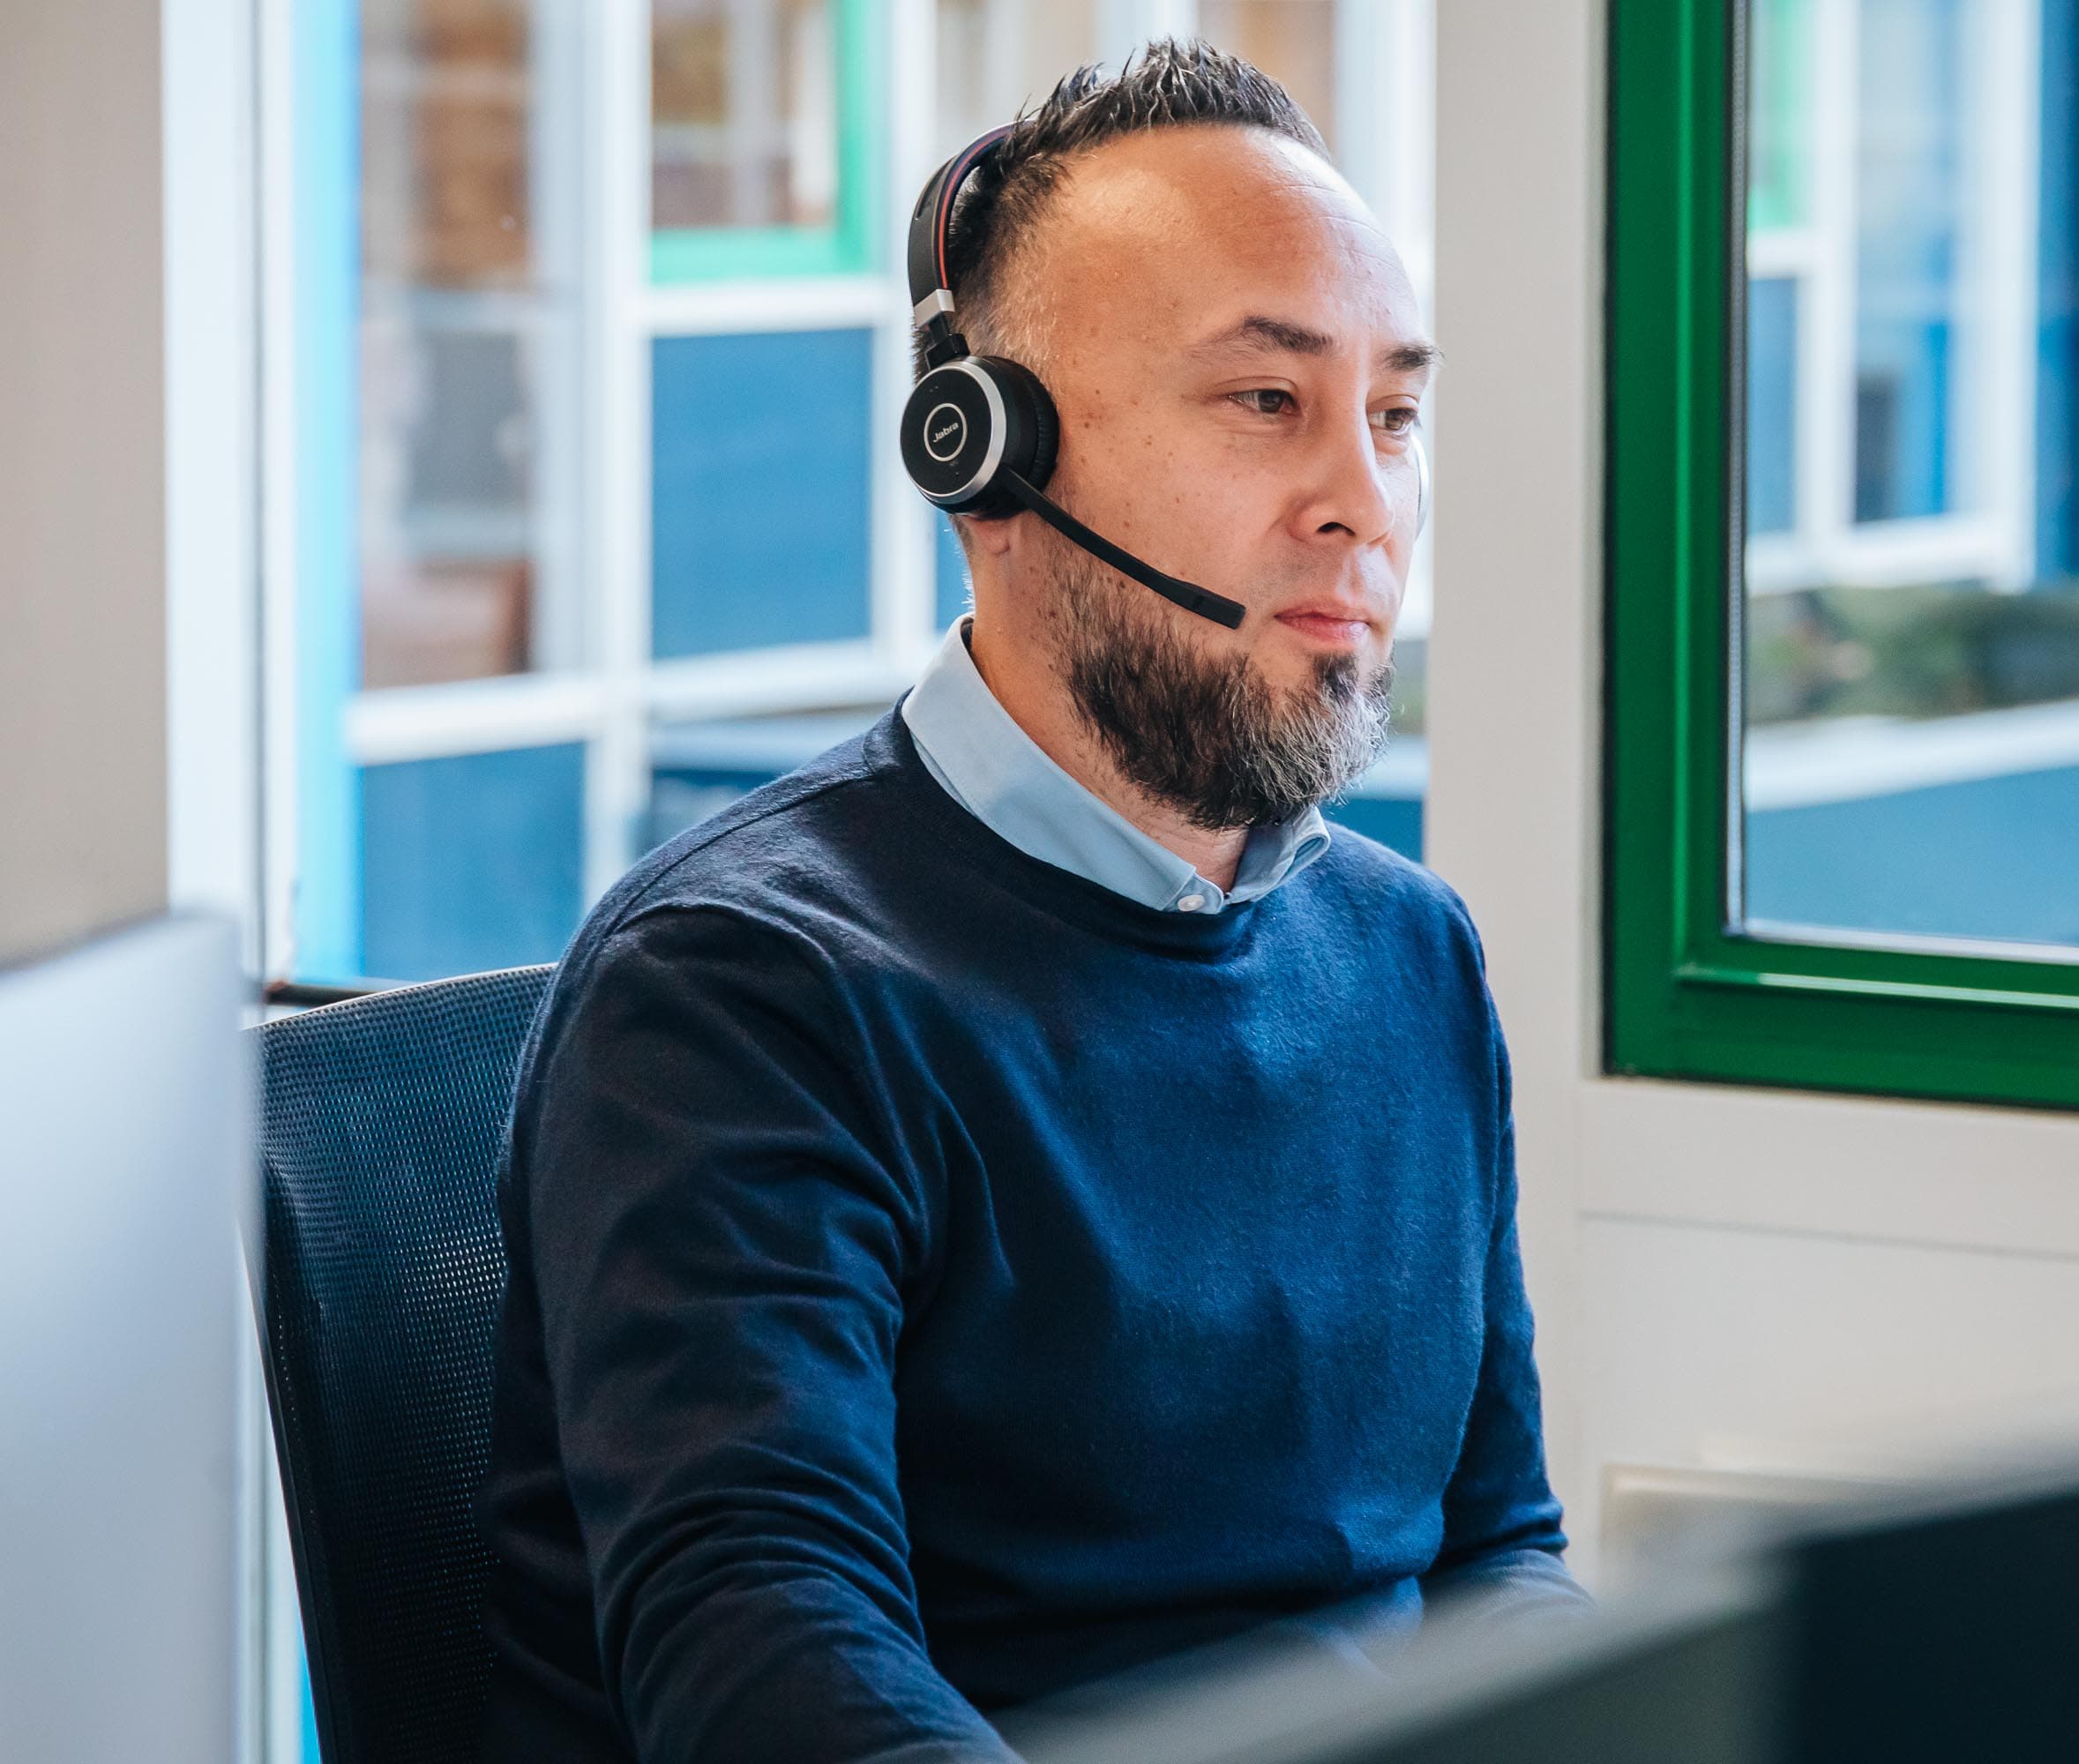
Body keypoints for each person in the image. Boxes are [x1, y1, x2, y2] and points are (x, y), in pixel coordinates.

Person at [477, 40, 1583, 1764]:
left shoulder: (1408, 956)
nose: (1365, 506)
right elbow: (767, 1659)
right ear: (983, 459)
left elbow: (1496, 1553)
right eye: (1267, 401)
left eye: (1394, 413)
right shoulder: (737, 991)